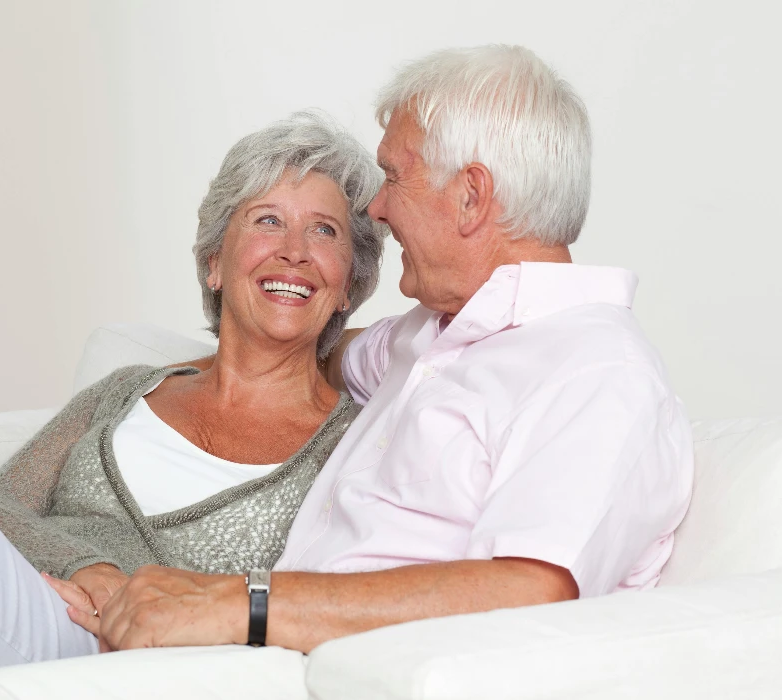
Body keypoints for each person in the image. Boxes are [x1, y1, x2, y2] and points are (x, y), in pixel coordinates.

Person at [87, 44, 694, 656]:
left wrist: (242, 603)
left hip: (341, 669)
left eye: (394, 177)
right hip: (255, 656)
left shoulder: (597, 372)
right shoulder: (436, 334)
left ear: (471, 197)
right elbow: (319, 347)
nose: (376, 208)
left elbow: (531, 591)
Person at [0, 112, 386, 681]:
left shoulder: (356, 441)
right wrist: (90, 568)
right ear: (215, 262)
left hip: (153, 670)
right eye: (267, 221)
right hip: (29, 616)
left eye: (324, 231)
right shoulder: (126, 389)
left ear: (347, 286)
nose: (295, 251)